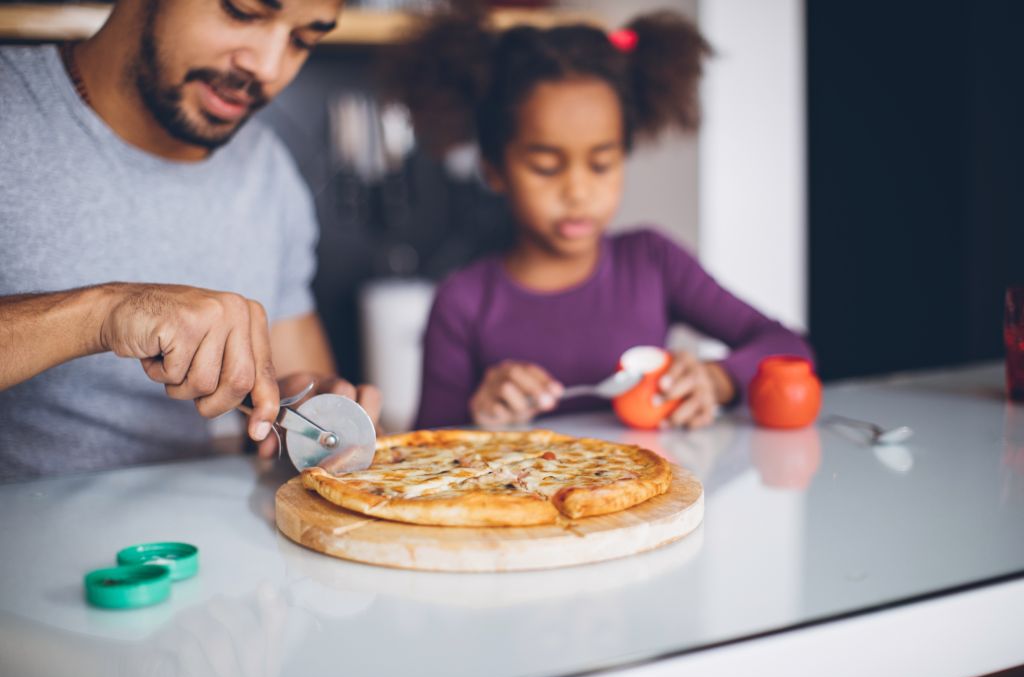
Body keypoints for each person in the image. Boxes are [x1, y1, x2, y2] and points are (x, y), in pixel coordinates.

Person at [0, 0, 380, 481]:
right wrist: (100, 315)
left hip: (191, 545)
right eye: (242, 12)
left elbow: (302, 428)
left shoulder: (266, 169)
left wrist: (306, 416)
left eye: (303, 40)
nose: (267, 67)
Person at [387, 3, 813, 430]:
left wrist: (716, 379)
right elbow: (426, 445)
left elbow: (789, 347)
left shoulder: (654, 261)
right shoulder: (463, 301)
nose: (578, 191)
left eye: (601, 164)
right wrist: (480, 418)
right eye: (547, 167)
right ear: (494, 169)